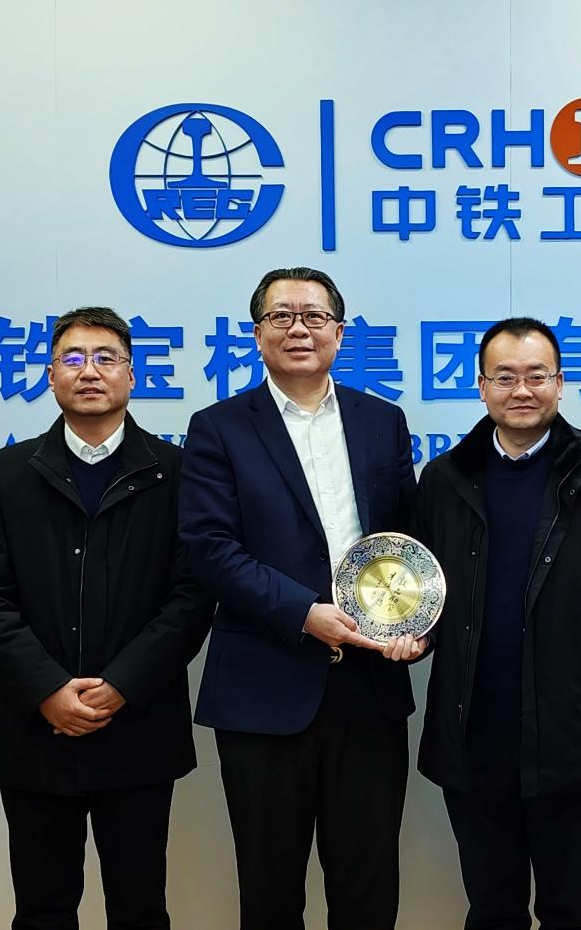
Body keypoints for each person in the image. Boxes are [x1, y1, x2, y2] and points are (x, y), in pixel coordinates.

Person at [179, 267, 425, 930]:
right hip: (264, 686)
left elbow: (408, 540)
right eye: (280, 316)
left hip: (369, 687)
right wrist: (303, 614)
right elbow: (209, 548)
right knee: (269, 890)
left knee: (368, 886)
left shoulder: (382, 421)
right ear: (257, 334)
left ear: (339, 333)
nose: (298, 329)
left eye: (314, 317)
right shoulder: (218, 428)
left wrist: (416, 621)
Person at [0, 306, 213, 930]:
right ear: (51, 376)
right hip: (34, 729)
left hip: (138, 726)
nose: (89, 371)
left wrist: (121, 685)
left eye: (106, 358)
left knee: (140, 909)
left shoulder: (175, 472)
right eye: (72, 359)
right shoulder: (9, 473)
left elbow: (191, 597)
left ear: (132, 375)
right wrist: (47, 689)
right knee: (42, 909)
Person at [415, 317, 581, 930]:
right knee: (490, 909)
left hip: (570, 733)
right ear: (481, 386)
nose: (521, 390)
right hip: (472, 732)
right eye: (504, 377)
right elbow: (424, 595)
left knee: (568, 910)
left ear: (560, 383)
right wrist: (410, 637)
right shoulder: (444, 479)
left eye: (536, 376)